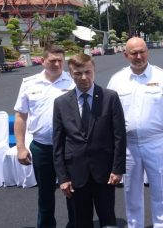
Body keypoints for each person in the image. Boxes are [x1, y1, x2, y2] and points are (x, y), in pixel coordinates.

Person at [107, 37, 163, 228]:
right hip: (128, 145)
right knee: (131, 194)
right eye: (134, 53)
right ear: (126, 55)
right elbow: (108, 114)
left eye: (142, 51)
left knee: (161, 192)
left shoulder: (162, 77)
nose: (139, 56)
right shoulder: (117, 80)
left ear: (147, 52)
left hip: (156, 143)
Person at [53, 54, 126, 228]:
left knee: (108, 219)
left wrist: (117, 169)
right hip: (75, 173)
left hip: (105, 173)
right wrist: (62, 177)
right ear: (70, 74)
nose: (84, 77)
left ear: (94, 70)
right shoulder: (61, 103)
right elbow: (58, 143)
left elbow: (119, 136)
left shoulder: (110, 97)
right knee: (81, 221)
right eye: (78, 73)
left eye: (88, 72)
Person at [14, 46, 75, 228]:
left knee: (73, 191)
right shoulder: (29, 83)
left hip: (69, 147)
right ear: (42, 61)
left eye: (60, 61)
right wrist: (21, 147)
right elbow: (20, 116)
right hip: (42, 147)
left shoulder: (73, 82)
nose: (57, 64)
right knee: (45, 194)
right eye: (52, 60)